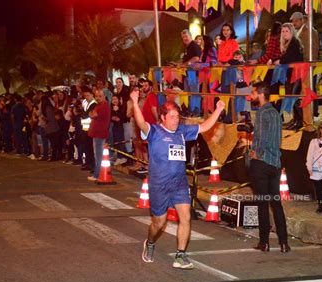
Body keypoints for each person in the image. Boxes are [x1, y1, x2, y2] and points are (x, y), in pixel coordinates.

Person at [133, 90, 225, 269]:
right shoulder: (155, 131)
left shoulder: (182, 131)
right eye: (173, 117)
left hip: (179, 183)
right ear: (163, 117)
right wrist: (135, 103)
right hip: (159, 185)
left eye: (178, 117)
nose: (176, 120)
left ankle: (180, 255)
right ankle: (150, 243)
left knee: (186, 217)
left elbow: (204, 127)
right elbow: (141, 123)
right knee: (159, 223)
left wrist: (218, 110)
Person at [249, 83, 290, 253]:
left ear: (260, 94)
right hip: (275, 162)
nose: (251, 96)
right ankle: (284, 243)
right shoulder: (275, 113)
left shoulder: (261, 113)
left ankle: (264, 242)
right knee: (276, 204)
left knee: (263, 204)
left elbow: (262, 137)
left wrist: (256, 152)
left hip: (262, 163)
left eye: (253, 93)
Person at [275, 23, 304, 130]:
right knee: (291, 97)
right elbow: (285, 57)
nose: (284, 33)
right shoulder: (289, 43)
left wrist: (279, 61)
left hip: (296, 74)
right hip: (290, 74)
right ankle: (296, 119)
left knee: (294, 97)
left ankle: (300, 120)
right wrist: (274, 60)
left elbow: (290, 58)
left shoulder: (294, 43)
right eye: (282, 31)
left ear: (292, 32)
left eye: (286, 31)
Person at [87, 89, 111, 182]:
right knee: (97, 154)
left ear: (104, 96)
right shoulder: (100, 105)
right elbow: (91, 114)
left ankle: (97, 175)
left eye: (100, 96)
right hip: (97, 133)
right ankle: (98, 174)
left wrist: (91, 114)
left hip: (99, 133)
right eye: (97, 96)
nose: (98, 98)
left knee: (98, 155)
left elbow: (93, 115)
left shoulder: (103, 105)